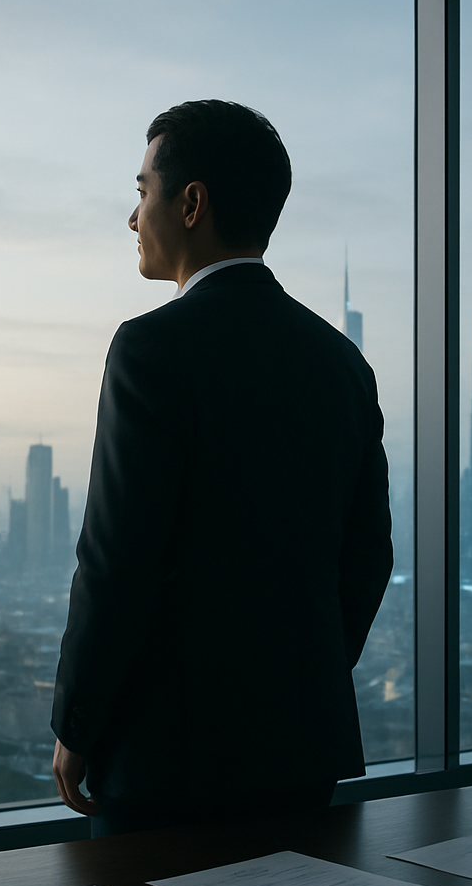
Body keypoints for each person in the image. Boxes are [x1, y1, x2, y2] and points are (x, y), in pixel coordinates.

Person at [50, 99, 392, 837]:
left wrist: (77, 725)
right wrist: (303, 681)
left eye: (142, 191)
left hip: (167, 758)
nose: (133, 216)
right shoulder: (342, 363)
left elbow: (117, 564)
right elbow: (367, 560)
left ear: (192, 202)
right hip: (303, 748)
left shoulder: (150, 350)